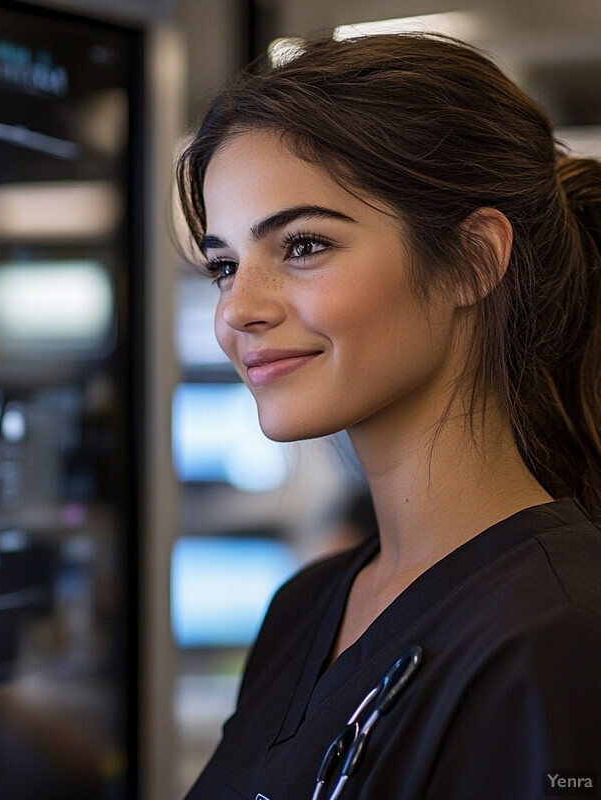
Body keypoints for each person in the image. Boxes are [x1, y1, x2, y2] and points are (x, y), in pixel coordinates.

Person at [175, 32, 601, 800]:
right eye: (224, 265)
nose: (237, 310)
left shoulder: (555, 637)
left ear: (474, 259)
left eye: (303, 246)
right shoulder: (304, 609)